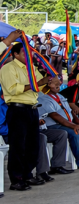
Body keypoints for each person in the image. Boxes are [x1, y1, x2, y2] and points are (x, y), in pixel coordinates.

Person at [0, 39, 46, 190]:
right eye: (25, 53)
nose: (29, 56)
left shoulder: (31, 68)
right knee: (18, 145)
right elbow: (13, 89)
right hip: (17, 109)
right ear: (15, 54)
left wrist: (50, 81)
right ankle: (16, 178)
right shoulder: (8, 68)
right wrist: (36, 84)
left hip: (32, 109)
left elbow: (40, 84)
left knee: (32, 144)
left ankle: (27, 174)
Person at [39, 74, 79, 171]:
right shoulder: (43, 98)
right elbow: (56, 117)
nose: (58, 85)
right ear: (46, 85)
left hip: (68, 123)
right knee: (74, 132)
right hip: (53, 126)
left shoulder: (60, 96)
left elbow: (71, 112)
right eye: (54, 83)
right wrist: (74, 126)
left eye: (58, 82)